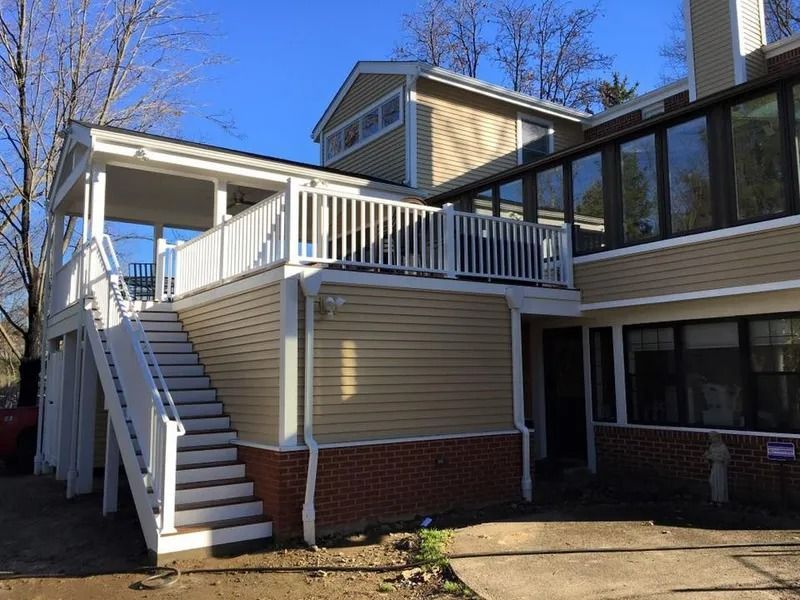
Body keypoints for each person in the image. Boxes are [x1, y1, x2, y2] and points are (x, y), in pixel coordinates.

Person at [704, 432, 730, 505]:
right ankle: (714, 498)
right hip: (715, 466)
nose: (711, 439)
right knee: (712, 481)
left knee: (720, 483)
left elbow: (727, 457)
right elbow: (709, 455)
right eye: (710, 438)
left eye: (712, 438)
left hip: (720, 467)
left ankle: (720, 500)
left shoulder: (723, 446)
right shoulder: (712, 446)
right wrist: (707, 456)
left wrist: (720, 459)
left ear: (717, 438)